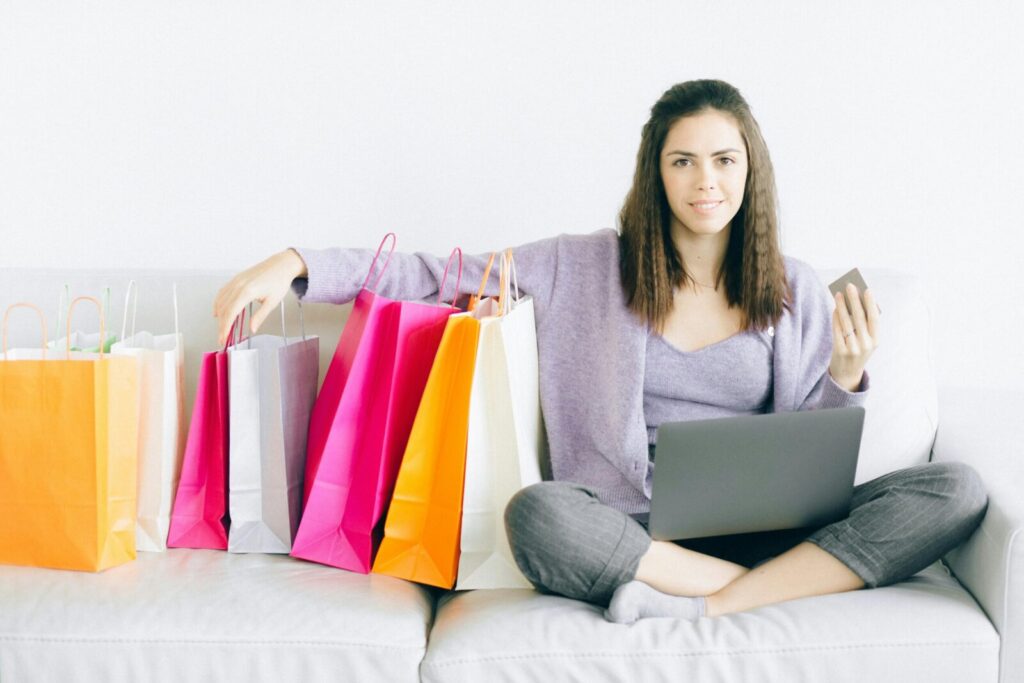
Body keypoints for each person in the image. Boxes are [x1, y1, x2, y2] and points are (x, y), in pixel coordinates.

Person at [213, 79, 988, 623]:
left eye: (725, 160)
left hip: (771, 524)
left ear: (752, 173)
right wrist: (298, 262)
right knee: (539, 515)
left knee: (954, 487)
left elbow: (809, 460)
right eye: (683, 160)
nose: (705, 180)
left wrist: (846, 379)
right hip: (637, 532)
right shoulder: (580, 264)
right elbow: (434, 274)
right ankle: (783, 589)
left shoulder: (795, 288)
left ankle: (718, 600)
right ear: (656, 171)